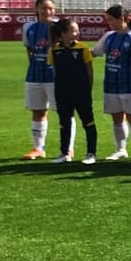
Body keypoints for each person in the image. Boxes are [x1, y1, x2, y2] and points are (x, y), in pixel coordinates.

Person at [96, 4, 131, 161]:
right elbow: (95, 52)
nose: (109, 23)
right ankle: (120, 149)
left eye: (111, 20)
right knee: (117, 118)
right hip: (112, 84)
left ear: (122, 19)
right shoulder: (109, 36)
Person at [47, 17, 98, 164]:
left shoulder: (82, 48)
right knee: (64, 122)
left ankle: (91, 153)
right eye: (73, 30)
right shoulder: (54, 50)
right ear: (63, 33)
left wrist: (88, 88)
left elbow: (89, 70)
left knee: (88, 122)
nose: (77, 33)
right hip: (62, 92)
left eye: (77, 30)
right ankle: (65, 153)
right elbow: (56, 71)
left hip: (81, 91)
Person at [23, 0, 59, 159]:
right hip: (35, 75)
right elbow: (29, 50)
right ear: (36, 9)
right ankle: (38, 148)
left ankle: (67, 149)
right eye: (44, 8)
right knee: (38, 112)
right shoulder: (28, 27)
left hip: (55, 76)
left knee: (63, 112)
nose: (47, 11)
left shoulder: (59, 26)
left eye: (50, 8)